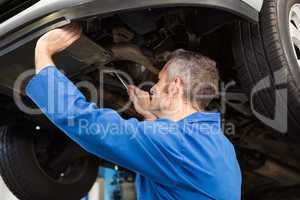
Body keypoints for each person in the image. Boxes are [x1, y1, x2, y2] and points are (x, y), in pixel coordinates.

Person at [26, 23, 242, 200]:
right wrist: (150, 115)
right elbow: (171, 163)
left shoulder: (178, 143)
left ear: (175, 85)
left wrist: (43, 50)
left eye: (159, 81)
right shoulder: (221, 146)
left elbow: (86, 122)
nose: (154, 88)